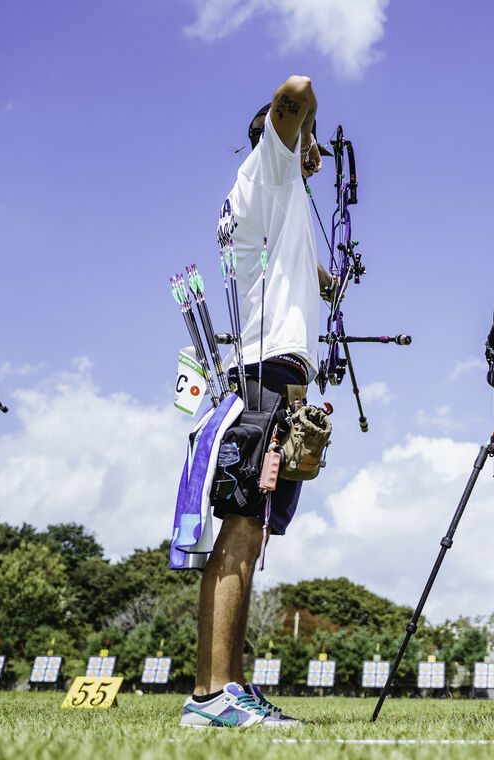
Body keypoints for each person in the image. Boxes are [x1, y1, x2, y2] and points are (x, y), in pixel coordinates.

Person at [180, 75, 333, 729]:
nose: (318, 153)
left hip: (284, 376)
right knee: (239, 531)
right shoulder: (268, 169)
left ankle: (232, 689)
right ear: (283, 136)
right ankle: (210, 695)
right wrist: (298, 120)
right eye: (309, 140)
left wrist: (323, 280)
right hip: (263, 378)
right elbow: (294, 88)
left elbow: (287, 268)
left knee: (256, 531)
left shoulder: (277, 197)